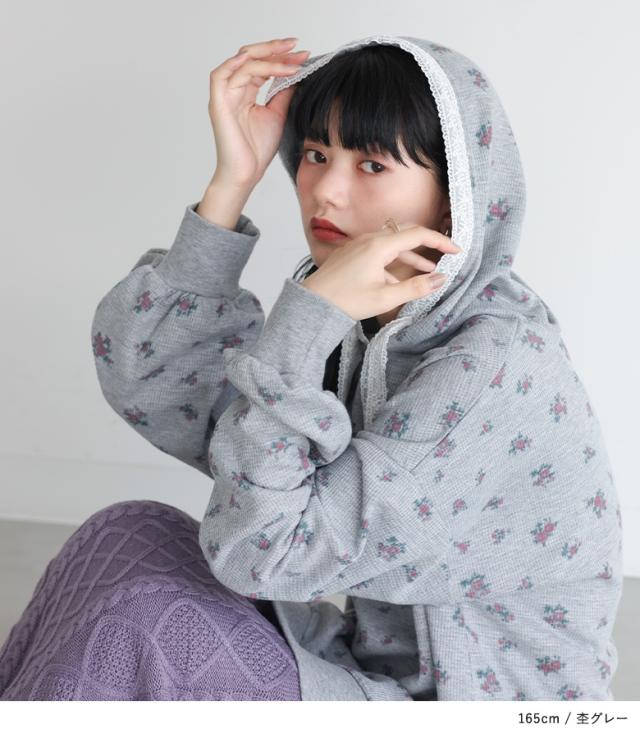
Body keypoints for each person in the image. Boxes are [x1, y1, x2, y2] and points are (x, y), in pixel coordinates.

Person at [1, 34, 623, 701]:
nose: (325, 189)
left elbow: (260, 554)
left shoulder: (490, 367)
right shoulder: (368, 315)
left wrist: (310, 318)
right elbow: (160, 391)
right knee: (129, 532)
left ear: (454, 197)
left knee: (153, 626)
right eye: (317, 154)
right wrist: (230, 186)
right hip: (370, 661)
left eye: (373, 165)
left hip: (474, 704)